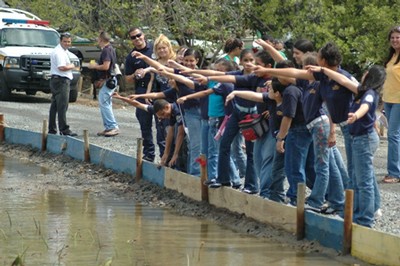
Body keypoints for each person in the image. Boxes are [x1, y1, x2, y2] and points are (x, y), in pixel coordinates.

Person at [308, 65, 386, 227]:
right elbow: (342, 79)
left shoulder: (370, 94)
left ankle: (364, 219)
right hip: (358, 138)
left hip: (365, 139)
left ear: (370, 76)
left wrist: (356, 115)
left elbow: (366, 105)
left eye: (365, 72)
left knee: (363, 181)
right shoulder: (360, 90)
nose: (362, 74)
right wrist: (323, 70)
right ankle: (354, 213)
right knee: (356, 178)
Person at [124, 27, 156, 161]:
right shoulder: (131, 57)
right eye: (133, 37)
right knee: (144, 121)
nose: (137, 39)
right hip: (142, 89)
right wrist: (136, 74)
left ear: (144, 35)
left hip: (158, 88)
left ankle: (169, 154)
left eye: (138, 35)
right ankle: (149, 153)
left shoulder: (155, 49)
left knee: (165, 123)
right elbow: (127, 79)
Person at [89, 31, 119, 137]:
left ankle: (112, 126)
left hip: (109, 80)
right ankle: (108, 127)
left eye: (98, 39)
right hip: (109, 79)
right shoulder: (111, 49)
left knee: (104, 104)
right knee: (105, 103)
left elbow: (106, 66)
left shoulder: (106, 50)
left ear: (101, 39)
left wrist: (94, 66)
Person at [48, 32, 77, 136]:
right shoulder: (59, 52)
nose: (67, 43)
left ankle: (52, 129)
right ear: (60, 41)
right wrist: (72, 66)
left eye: (69, 41)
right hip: (61, 80)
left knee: (55, 105)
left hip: (56, 79)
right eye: (65, 41)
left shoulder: (63, 51)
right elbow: (61, 67)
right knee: (62, 105)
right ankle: (64, 129)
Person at [382, 26, 400, 183]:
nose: (395, 40)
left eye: (398, 37)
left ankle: (395, 173)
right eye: (393, 37)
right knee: (395, 136)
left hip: (399, 101)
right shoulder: (391, 57)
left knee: (393, 135)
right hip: (388, 100)